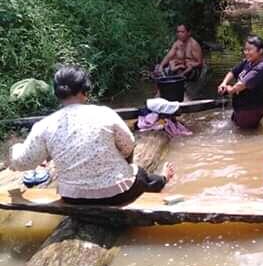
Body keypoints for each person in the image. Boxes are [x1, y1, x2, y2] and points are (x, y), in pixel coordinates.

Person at [9, 66, 175, 206]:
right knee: (140, 173)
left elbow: (22, 162)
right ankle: (163, 179)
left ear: (57, 94)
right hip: (118, 195)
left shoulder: (44, 125)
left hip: (73, 198)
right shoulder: (104, 113)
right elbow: (128, 146)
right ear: (84, 91)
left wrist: (15, 148)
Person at [217, 35, 263, 129]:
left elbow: (241, 85)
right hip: (241, 109)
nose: (246, 52)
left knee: (245, 136)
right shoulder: (248, 62)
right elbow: (233, 72)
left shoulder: (262, 67)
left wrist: (229, 89)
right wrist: (224, 83)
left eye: (250, 50)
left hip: (250, 110)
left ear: (260, 51)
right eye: (245, 50)